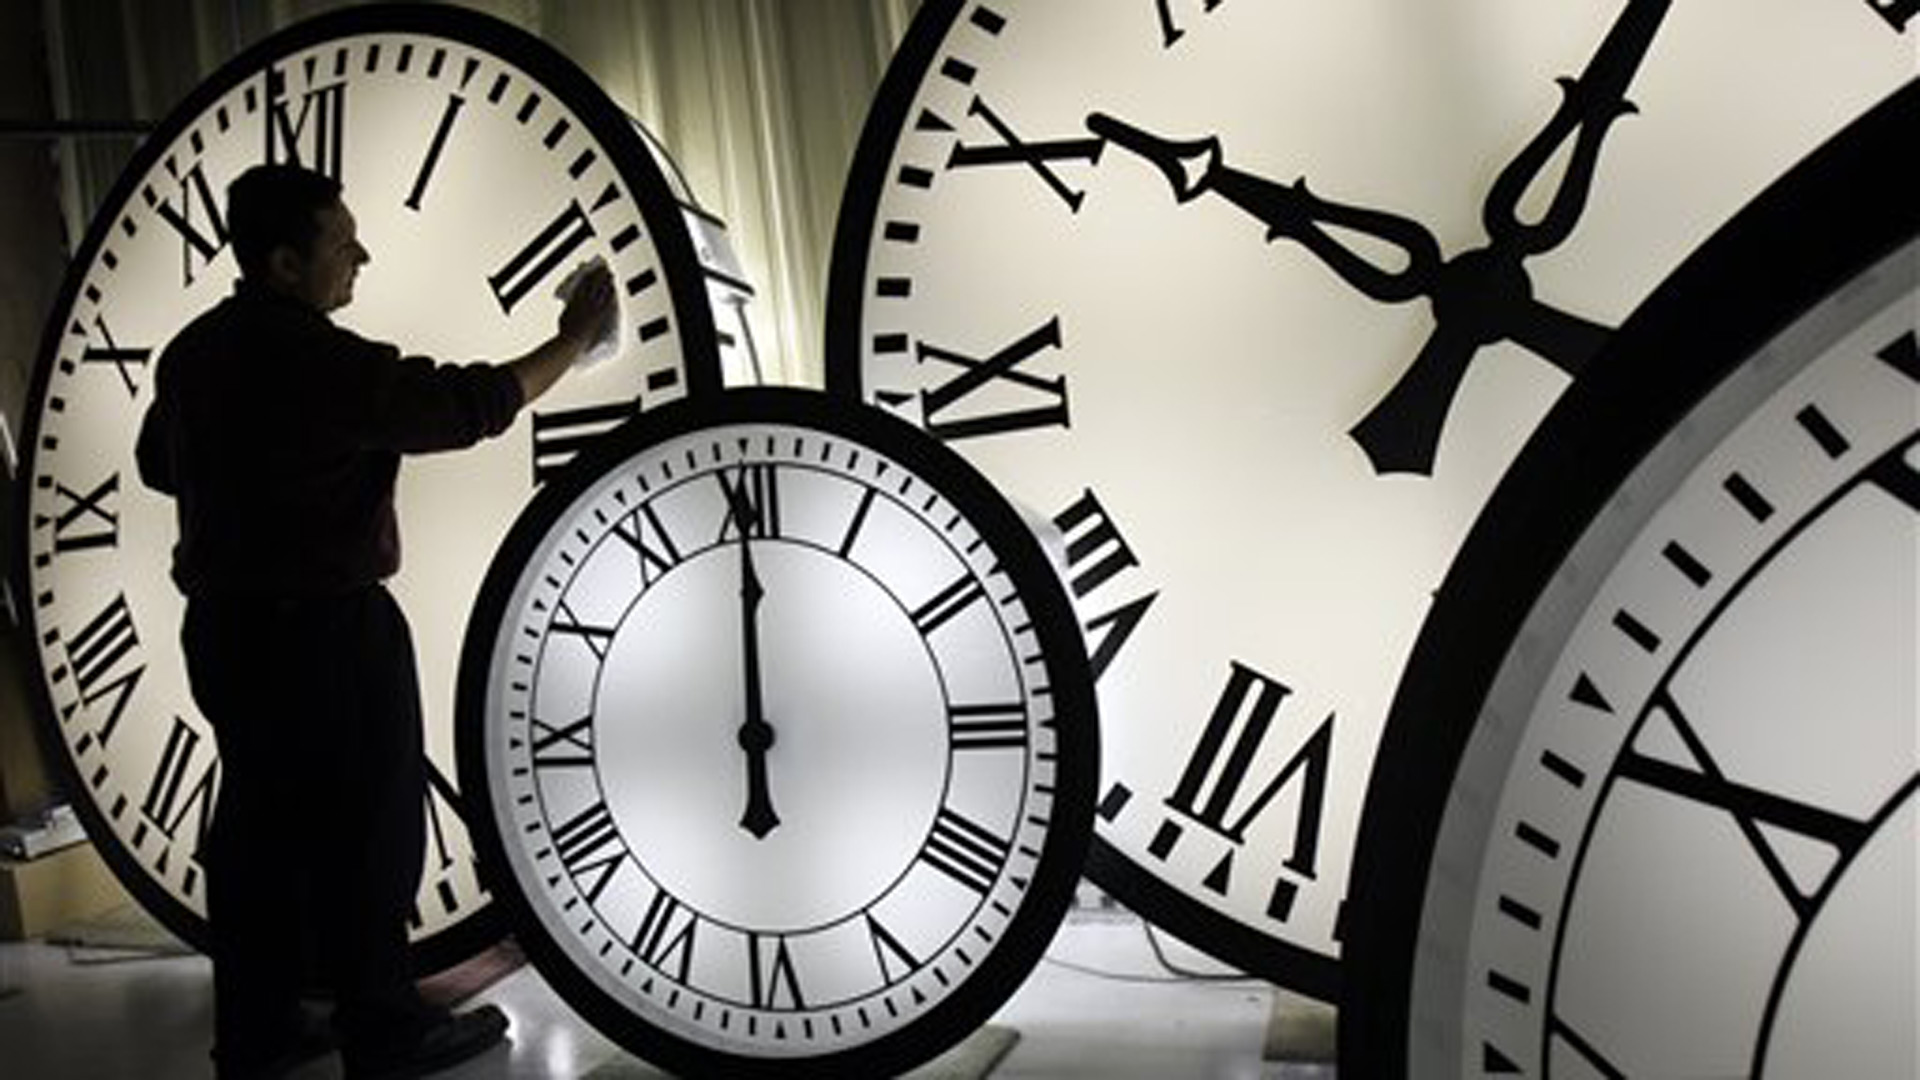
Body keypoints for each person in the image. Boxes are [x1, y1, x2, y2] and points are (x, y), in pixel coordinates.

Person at [136, 162, 615, 1080]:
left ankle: (261, 1030)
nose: (362, 253)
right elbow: (463, 406)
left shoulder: (192, 354)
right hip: (329, 631)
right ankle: (384, 1028)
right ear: (283, 263)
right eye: (340, 240)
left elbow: (162, 463)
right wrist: (574, 338)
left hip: (226, 632)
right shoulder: (318, 360)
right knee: (370, 830)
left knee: (258, 832)